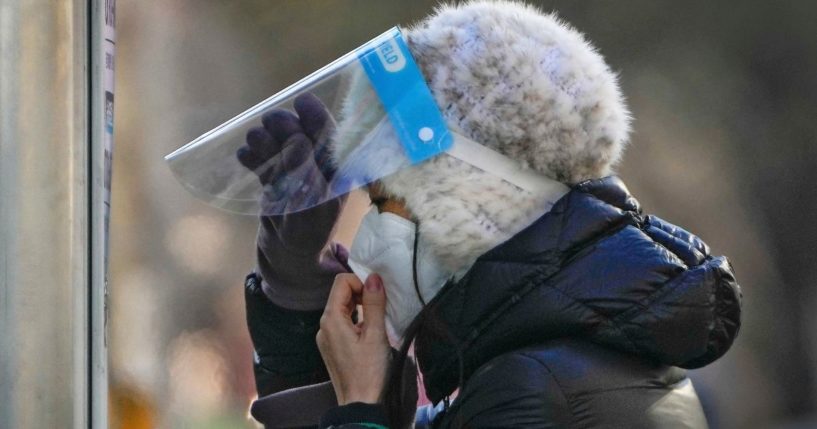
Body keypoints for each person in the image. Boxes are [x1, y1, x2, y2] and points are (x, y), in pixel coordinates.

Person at [240, 2, 742, 428]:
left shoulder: (528, 389)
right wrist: (297, 300)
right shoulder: (558, 358)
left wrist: (363, 414)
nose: (369, 236)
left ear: (464, 197)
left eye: (382, 200)